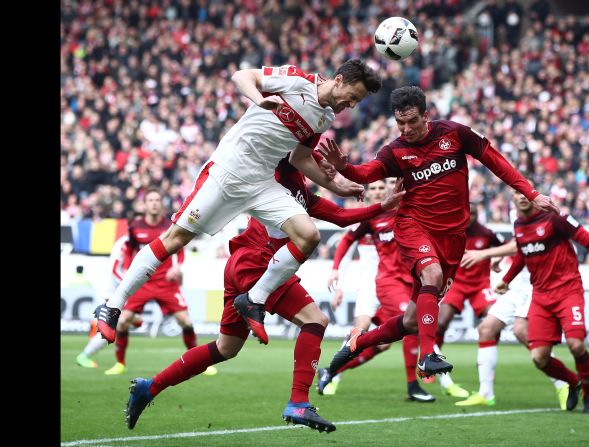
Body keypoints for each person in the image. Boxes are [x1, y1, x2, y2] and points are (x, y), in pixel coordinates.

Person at [95, 60, 381, 343]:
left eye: (357, 102)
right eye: (352, 97)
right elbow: (242, 76)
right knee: (175, 239)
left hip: (261, 183)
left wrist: (341, 187)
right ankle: (112, 306)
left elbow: (300, 158)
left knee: (308, 235)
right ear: (340, 79)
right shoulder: (296, 80)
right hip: (227, 171)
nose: (351, 105)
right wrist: (260, 99)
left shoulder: (324, 117)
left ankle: (254, 299)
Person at [124, 152, 404, 433]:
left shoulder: (304, 195)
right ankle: (298, 402)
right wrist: (324, 158)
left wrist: (384, 206)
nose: (324, 168)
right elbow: (296, 144)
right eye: (319, 162)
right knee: (315, 320)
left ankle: (151, 387)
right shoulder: (279, 171)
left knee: (226, 348)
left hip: (243, 263)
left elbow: (343, 217)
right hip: (258, 263)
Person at [318, 85, 558, 379]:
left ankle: (358, 342)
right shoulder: (395, 151)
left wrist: (530, 193)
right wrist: (345, 167)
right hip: (413, 225)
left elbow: (496, 161)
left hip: (453, 238)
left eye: (412, 122)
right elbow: (367, 173)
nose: (406, 129)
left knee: (411, 321)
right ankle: (428, 355)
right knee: (430, 276)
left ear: (426, 116)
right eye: (400, 123)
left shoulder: (455, 134)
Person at [493, 189, 589, 414]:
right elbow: (523, 255)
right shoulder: (519, 226)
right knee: (539, 358)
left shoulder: (554, 219)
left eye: (526, 192)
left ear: (534, 196)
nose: (522, 196)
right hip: (541, 297)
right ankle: (574, 382)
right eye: (516, 192)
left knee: (576, 345)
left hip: (568, 291)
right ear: (512, 198)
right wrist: (506, 279)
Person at [316, 180, 435, 402]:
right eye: (374, 188)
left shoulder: (406, 211)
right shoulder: (368, 218)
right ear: (367, 193)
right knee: (406, 324)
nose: (379, 191)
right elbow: (347, 242)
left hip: (407, 281)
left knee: (381, 343)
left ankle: (331, 371)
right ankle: (414, 384)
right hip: (382, 282)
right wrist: (336, 276)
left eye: (383, 187)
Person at [101, 190, 218, 376]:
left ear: (161, 203)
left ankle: (198, 363)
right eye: (150, 200)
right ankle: (120, 363)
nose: (154, 203)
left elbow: (179, 248)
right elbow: (131, 251)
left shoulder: (170, 226)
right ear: (144, 204)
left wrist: (177, 267)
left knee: (185, 322)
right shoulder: (135, 226)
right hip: (143, 282)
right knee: (122, 322)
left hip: (166, 282)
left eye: (157, 200)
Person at [452, 236, 569, 409]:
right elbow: (518, 240)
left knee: (521, 331)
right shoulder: (517, 212)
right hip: (519, 285)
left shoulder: (537, 210)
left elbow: (523, 244)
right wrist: (502, 261)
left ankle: (563, 383)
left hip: (537, 283)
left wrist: (484, 254)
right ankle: (486, 393)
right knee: (486, 329)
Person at [428, 203, 505, 398]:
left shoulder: (486, 233)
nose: (470, 218)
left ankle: (487, 363)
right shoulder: (451, 230)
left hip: (480, 285)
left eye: (474, 214)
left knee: (494, 319)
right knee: (440, 323)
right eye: (467, 214)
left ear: (478, 215)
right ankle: (432, 361)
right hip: (456, 284)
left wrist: (496, 260)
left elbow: (504, 248)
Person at [75, 235, 144, 369]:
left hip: (119, 292)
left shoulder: (137, 244)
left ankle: (86, 355)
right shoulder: (124, 243)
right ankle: (84, 356)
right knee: (114, 328)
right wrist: (130, 284)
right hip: (113, 293)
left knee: (134, 322)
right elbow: (114, 270)